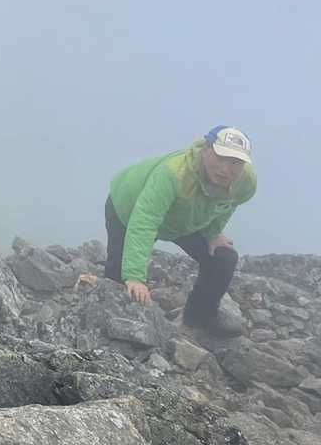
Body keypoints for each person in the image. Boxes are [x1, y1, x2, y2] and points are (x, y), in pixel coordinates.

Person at [103, 126, 256, 332]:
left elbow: (228, 203)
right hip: (129, 208)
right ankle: (109, 329)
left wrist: (213, 233)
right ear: (206, 149)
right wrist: (135, 276)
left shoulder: (245, 182)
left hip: (184, 218)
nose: (226, 169)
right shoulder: (174, 173)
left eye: (235, 162)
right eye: (221, 157)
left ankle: (198, 320)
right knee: (118, 280)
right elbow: (145, 220)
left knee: (223, 258)